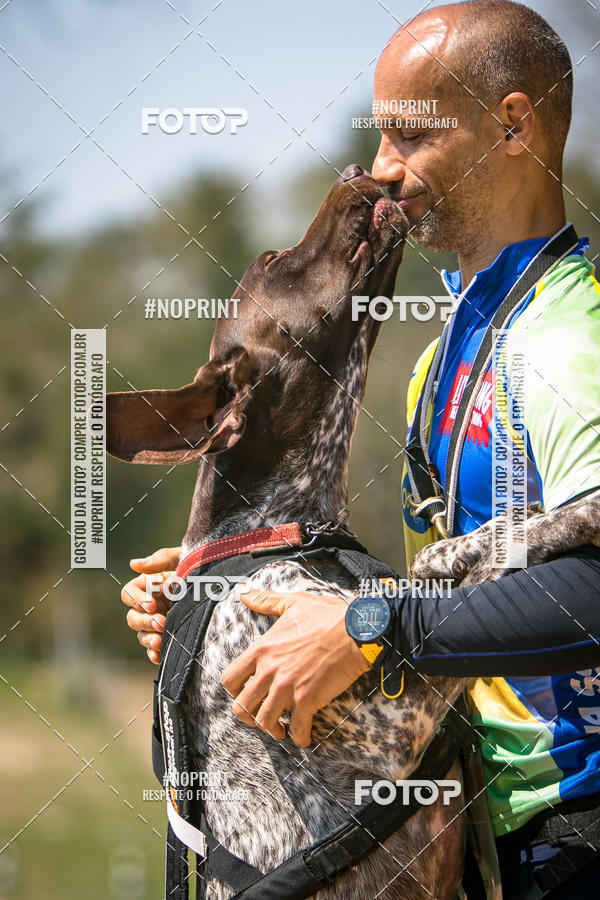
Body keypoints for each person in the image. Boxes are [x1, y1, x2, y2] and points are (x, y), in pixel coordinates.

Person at [121, 2, 600, 896]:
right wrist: (224, 604)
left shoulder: (572, 341)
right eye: (381, 135)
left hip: (582, 826)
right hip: (492, 836)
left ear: (512, 126)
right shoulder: (440, 359)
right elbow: (480, 603)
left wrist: (370, 626)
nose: (382, 166)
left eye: (411, 135)